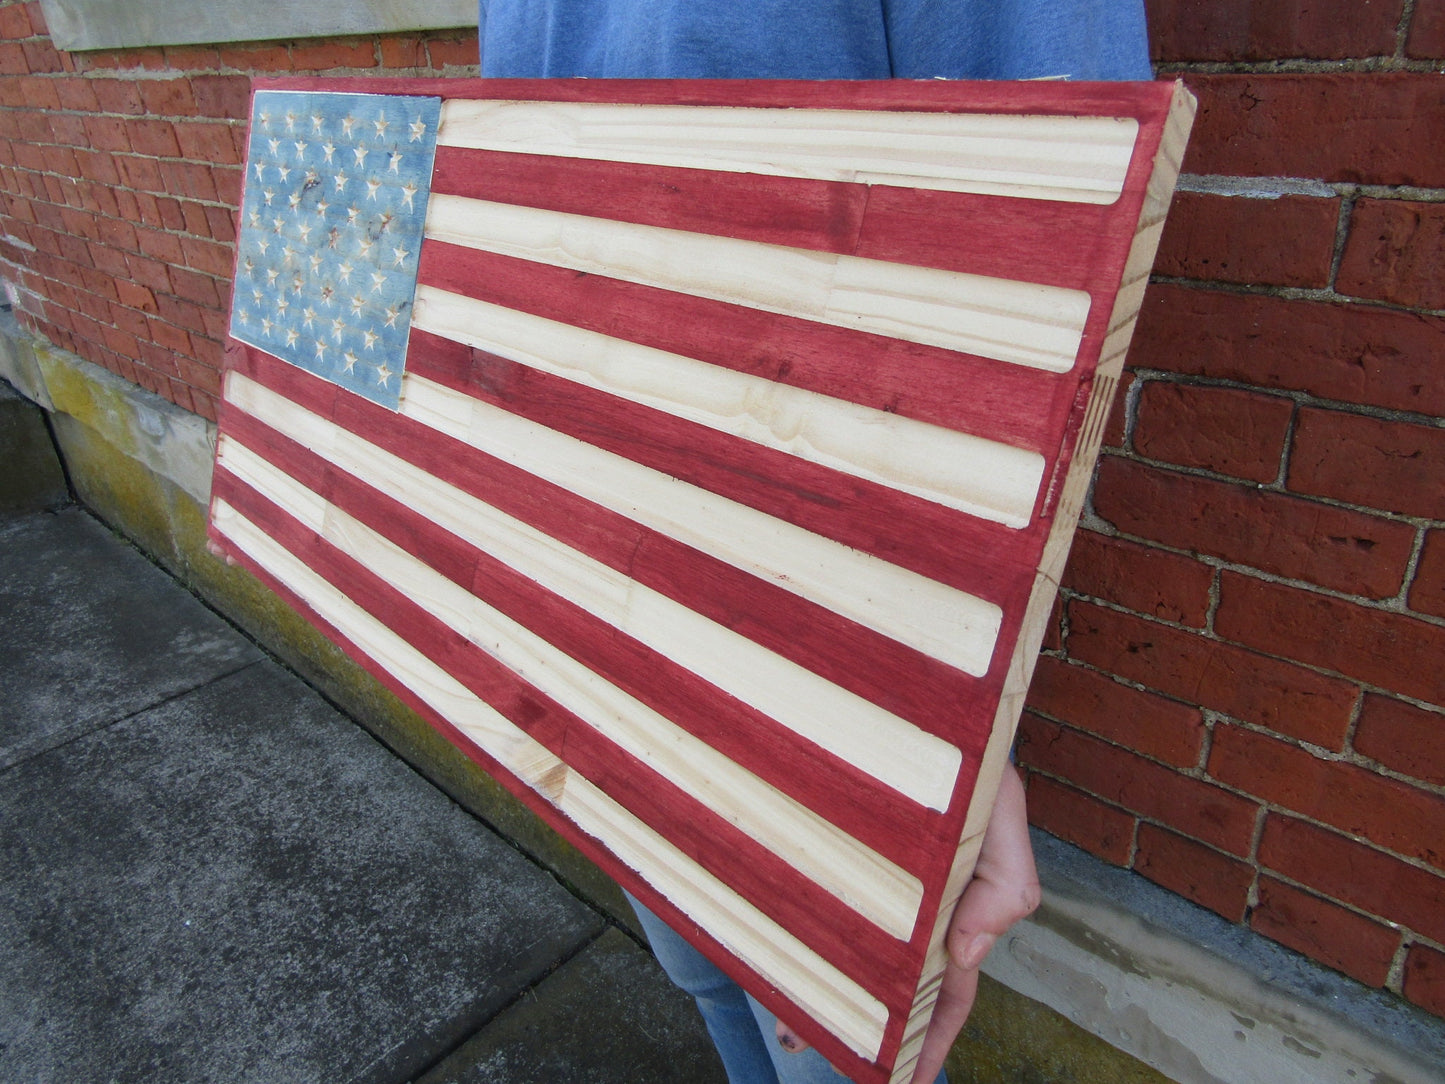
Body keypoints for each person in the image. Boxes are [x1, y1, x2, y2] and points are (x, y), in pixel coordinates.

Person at [476, 3, 1150, 1080]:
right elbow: (523, 186)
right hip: (602, 595)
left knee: (826, 1052)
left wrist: (947, 716)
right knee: (708, 981)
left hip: (826, 643)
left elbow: (1036, 221)